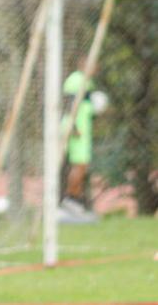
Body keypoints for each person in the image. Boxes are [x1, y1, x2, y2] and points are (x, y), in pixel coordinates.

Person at [59, 58, 98, 223]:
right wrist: (73, 126)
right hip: (76, 128)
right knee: (79, 163)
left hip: (83, 128)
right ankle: (69, 199)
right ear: (83, 64)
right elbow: (68, 102)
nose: (96, 68)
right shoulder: (75, 79)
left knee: (82, 165)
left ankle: (73, 200)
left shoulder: (88, 82)